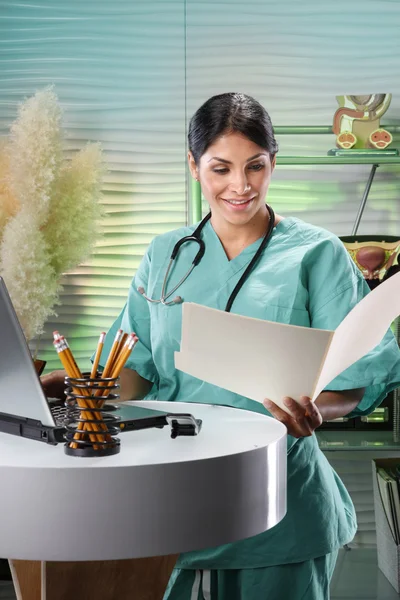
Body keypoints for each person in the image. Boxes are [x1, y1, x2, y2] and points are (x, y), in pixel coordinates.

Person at [42, 93, 400, 600]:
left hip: (280, 502)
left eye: (255, 166)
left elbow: (359, 375)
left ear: (273, 162)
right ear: (194, 166)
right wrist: (85, 386)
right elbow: (138, 368)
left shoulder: (316, 253)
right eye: (220, 168)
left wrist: (314, 408)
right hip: (174, 498)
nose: (240, 185)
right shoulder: (165, 255)